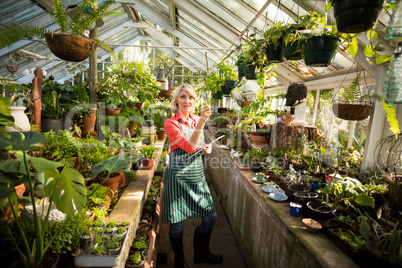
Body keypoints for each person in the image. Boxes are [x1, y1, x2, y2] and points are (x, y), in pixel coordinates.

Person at [163, 84, 223, 268]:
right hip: (178, 178)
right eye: (183, 97)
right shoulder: (171, 124)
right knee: (177, 225)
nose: (187, 101)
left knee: (210, 218)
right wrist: (203, 122)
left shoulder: (196, 119)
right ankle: (179, 262)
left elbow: (198, 145)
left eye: (191, 98)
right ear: (176, 101)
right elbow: (189, 146)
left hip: (197, 176)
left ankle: (201, 254)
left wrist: (207, 149)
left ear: (195, 101)